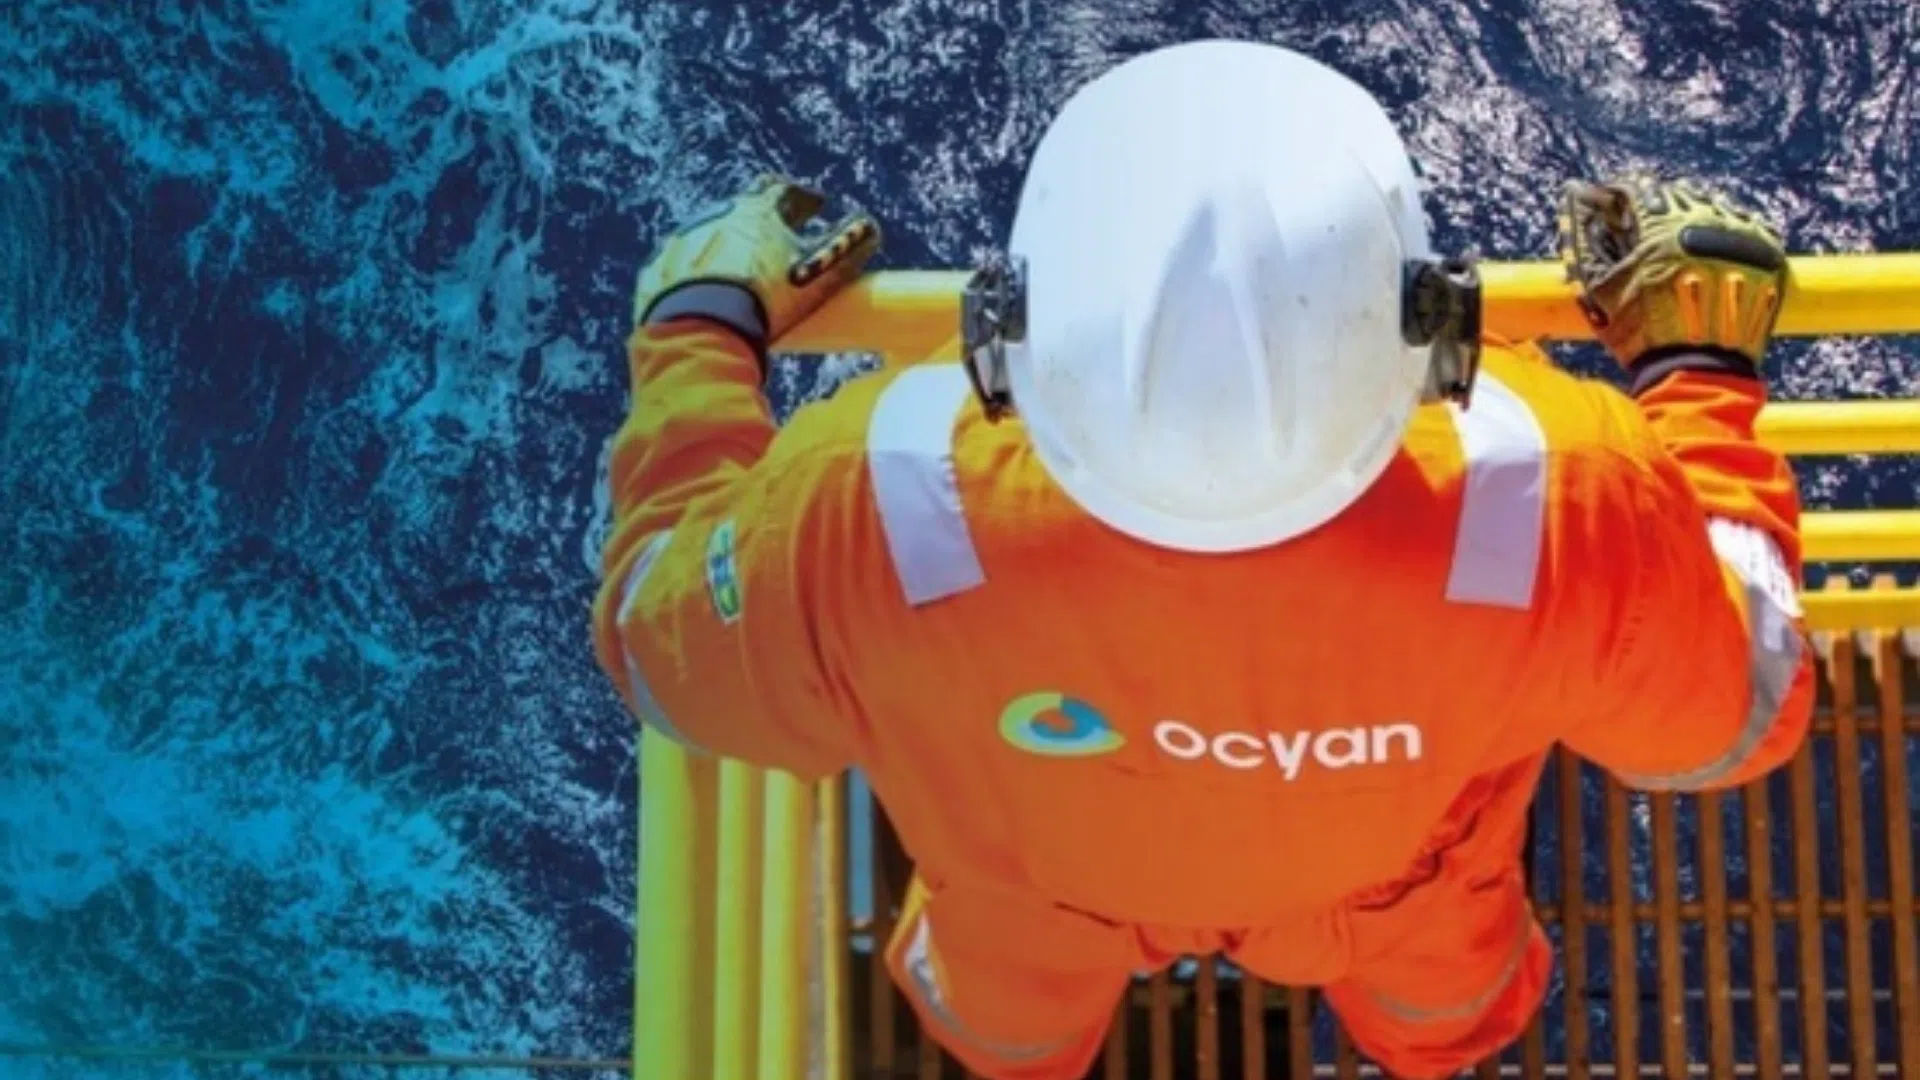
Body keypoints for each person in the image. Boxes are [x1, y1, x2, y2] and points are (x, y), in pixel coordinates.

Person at [590, 39, 1814, 1080]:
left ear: (1008, 318)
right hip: (1397, 898)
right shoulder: (1557, 493)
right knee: (1443, 1007)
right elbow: (1736, 719)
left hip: (1032, 903)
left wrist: (699, 325)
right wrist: (1695, 375)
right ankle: (1429, 1046)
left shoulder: (870, 503)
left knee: (1007, 1028)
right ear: (1428, 321)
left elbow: (664, 654)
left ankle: (1020, 1053)